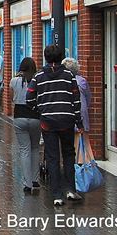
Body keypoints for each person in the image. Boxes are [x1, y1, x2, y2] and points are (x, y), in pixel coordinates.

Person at [27, 43, 83, 207]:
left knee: (52, 157)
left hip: (48, 122)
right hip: (67, 119)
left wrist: (41, 110)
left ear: (46, 57)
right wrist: (79, 121)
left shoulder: (38, 77)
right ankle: (71, 190)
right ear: (60, 58)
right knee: (68, 154)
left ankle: (57, 195)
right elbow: (76, 100)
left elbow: (29, 99)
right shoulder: (69, 75)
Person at [11, 57, 41, 193]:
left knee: (24, 150)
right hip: (35, 117)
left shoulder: (15, 81)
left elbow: (12, 92)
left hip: (19, 117)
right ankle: (35, 180)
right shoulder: (38, 81)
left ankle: (27, 183)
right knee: (35, 148)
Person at [62, 58, 91, 133]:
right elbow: (88, 98)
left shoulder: (64, 81)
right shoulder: (82, 81)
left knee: (74, 140)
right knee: (85, 139)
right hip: (82, 112)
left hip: (69, 114)